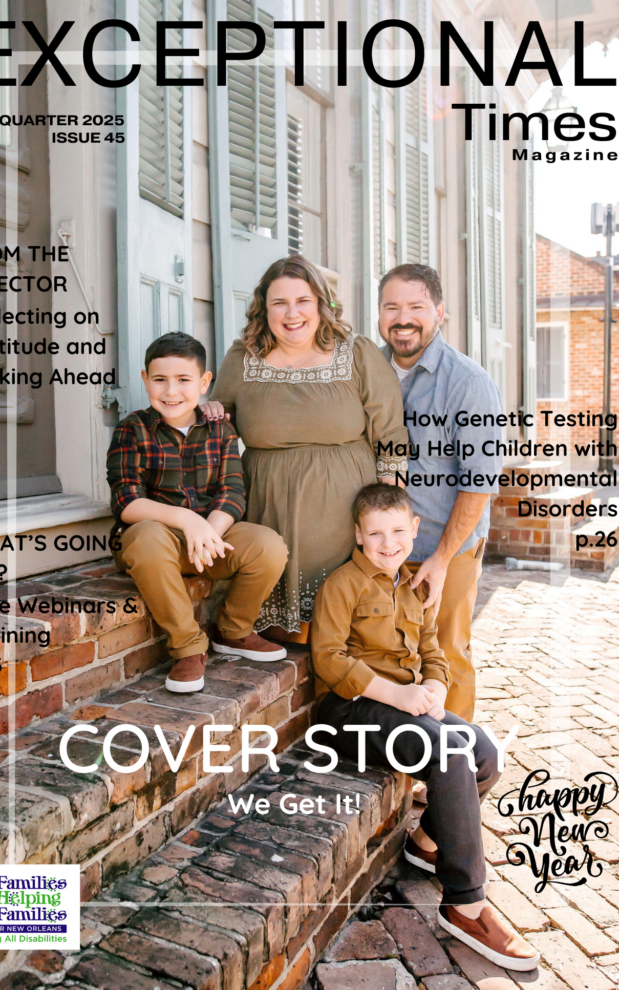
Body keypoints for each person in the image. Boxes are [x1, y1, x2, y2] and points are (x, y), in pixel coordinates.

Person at [310, 484, 540, 972]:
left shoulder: (413, 584)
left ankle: (425, 844)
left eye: (397, 530)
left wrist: (434, 686)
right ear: (358, 534)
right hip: (349, 714)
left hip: (409, 708)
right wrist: (398, 695)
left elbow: (432, 650)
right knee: (451, 753)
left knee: (484, 751)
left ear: (414, 531)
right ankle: (466, 905)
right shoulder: (343, 584)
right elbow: (328, 660)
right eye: (375, 533)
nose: (387, 542)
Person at [201, 255, 408, 642]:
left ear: (321, 304)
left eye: (303, 301)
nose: (292, 313)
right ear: (264, 308)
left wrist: (387, 513)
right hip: (267, 508)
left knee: (342, 631)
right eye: (279, 302)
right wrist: (208, 408)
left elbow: (390, 434)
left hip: (344, 517)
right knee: (278, 638)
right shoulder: (242, 358)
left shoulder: (356, 353)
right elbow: (218, 420)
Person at [106, 332, 289, 693]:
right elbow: (126, 501)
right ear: (145, 380)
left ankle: (234, 630)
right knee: (144, 536)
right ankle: (189, 648)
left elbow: (233, 493)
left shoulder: (219, 429)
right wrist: (188, 522)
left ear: (204, 383)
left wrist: (209, 530)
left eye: (183, 380)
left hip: (211, 537)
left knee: (269, 545)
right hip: (159, 543)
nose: (171, 391)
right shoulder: (133, 429)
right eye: (159, 380)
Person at [377, 263, 503, 723]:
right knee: (390, 658)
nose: (403, 318)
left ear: (440, 312)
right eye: (392, 306)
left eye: (416, 306)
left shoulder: (468, 384)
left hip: (441, 545)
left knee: (445, 652)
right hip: (380, 548)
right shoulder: (369, 372)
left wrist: (442, 558)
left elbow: (479, 483)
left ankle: (454, 773)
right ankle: (404, 762)